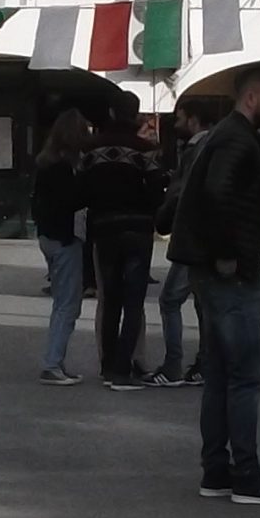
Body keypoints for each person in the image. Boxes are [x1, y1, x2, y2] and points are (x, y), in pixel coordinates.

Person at [166, 63, 260, 506]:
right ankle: (244, 473)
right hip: (231, 275)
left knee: (222, 374)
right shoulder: (237, 140)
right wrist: (228, 255)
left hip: (217, 269)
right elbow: (216, 197)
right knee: (244, 375)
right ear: (250, 98)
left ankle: (218, 470)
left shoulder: (229, 137)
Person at [77, 97, 169, 391]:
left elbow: (81, 190)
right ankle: (124, 368)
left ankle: (107, 365)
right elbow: (158, 192)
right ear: (135, 115)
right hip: (138, 230)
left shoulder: (91, 150)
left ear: (111, 111)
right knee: (134, 300)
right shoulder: (146, 151)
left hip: (104, 229)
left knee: (110, 298)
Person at [148, 101, 215, 389]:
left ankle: (174, 365)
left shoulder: (196, 151)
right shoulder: (215, 147)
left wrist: (164, 215)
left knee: (170, 300)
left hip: (192, 237)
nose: (176, 124)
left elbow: (183, 192)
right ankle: (205, 363)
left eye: (180, 118)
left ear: (194, 119)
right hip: (207, 236)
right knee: (203, 302)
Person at [31, 109, 94, 387]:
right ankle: (53, 363)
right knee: (68, 304)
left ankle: (56, 361)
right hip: (64, 237)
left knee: (62, 302)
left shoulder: (46, 164)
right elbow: (71, 201)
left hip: (48, 236)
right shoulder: (65, 169)